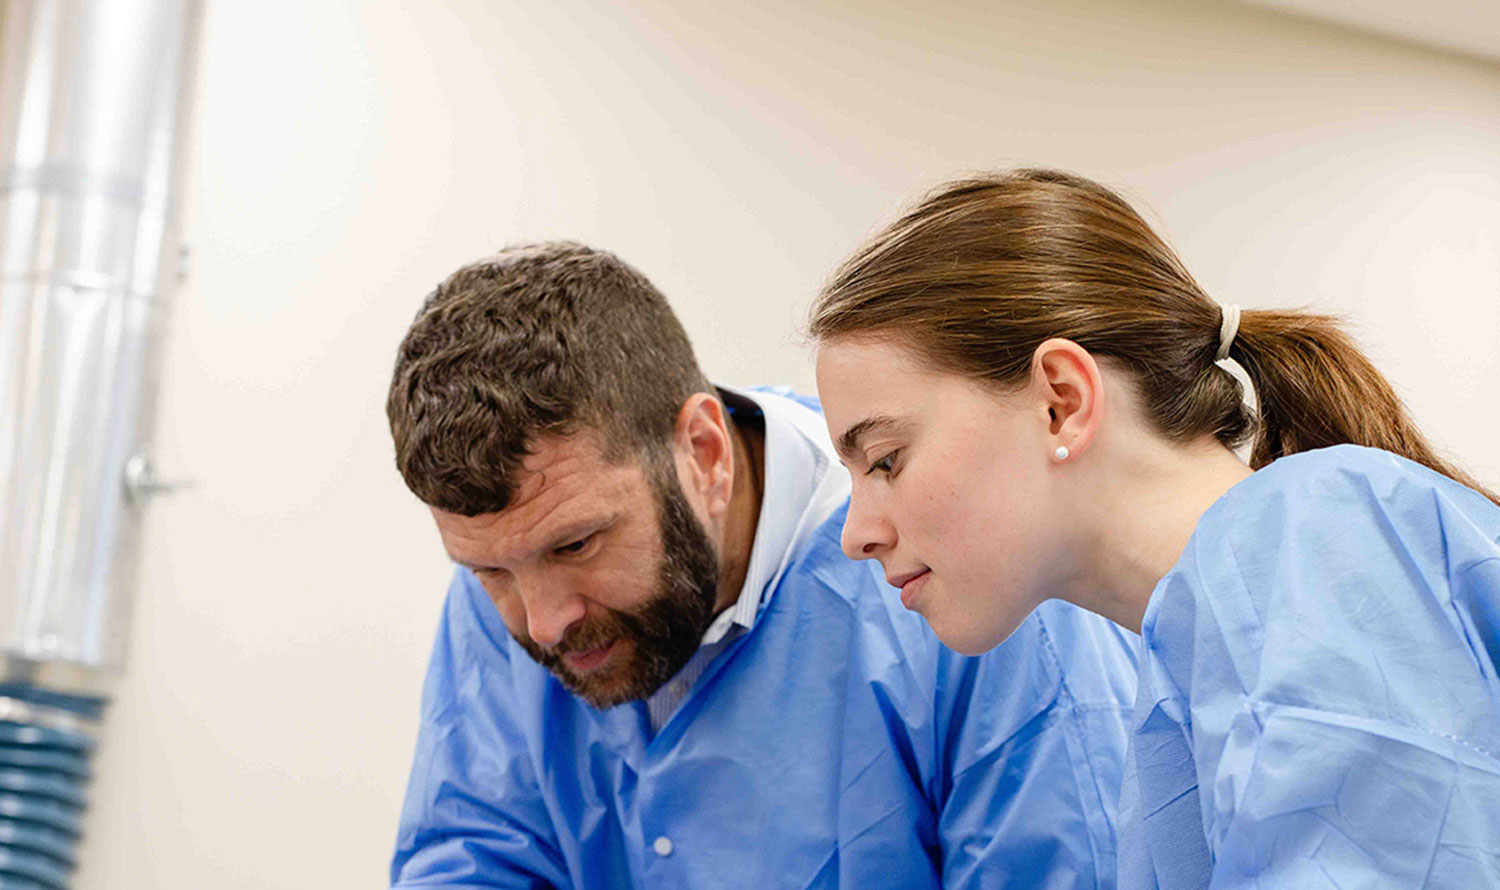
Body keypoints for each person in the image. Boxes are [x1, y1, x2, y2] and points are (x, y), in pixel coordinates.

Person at [809, 168, 1500, 889]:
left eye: (885, 460)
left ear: (1062, 402)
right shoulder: (1194, 660)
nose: (855, 535)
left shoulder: (1304, 550)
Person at [383, 241, 1139, 889]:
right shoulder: (519, 553)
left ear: (703, 454)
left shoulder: (966, 584)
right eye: (489, 574)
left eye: (579, 546)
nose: (545, 620)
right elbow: (471, 854)